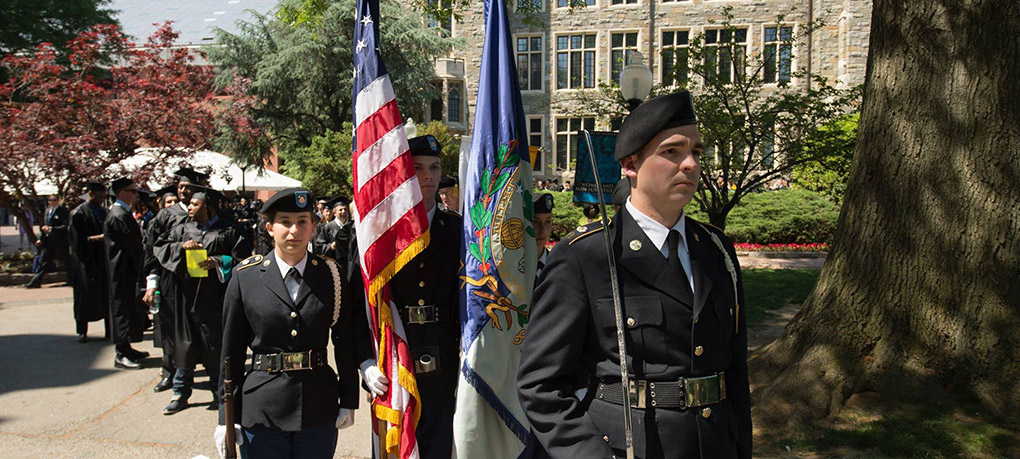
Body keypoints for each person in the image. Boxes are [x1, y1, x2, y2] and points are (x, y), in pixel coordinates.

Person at [517, 91, 752, 459]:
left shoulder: (716, 250)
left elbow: (735, 375)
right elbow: (540, 385)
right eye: (672, 152)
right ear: (630, 165)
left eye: (696, 152)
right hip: (633, 448)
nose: (690, 163)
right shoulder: (586, 257)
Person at [216, 187, 362, 459]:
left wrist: (348, 399)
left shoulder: (331, 275)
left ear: (313, 227)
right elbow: (230, 352)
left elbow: (344, 341)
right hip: (262, 407)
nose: (294, 230)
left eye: (302, 222)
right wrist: (226, 416)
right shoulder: (244, 277)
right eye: (285, 222)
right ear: (270, 227)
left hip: (318, 402)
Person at [353, 134, 463, 459]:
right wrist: (366, 362)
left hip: (446, 358)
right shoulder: (377, 234)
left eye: (434, 167)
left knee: (441, 447)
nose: (428, 176)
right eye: (417, 168)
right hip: (395, 359)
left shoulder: (458, 229)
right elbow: (359, 306)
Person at [154, 186, 251, 415]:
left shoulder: (229, 231)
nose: (189, 207)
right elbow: (160, 247)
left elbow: (244, 259)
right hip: (185, 298)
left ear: (207, 207)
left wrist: (217, 261)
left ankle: (220, 395)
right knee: (185, 346)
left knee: (215, 346)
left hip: (215, 299)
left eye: (195, 204)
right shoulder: (180, 229)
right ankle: (180, 392)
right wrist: (181, 247)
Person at [144, 169, 208, 392]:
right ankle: (169, 372)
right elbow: (151, 250)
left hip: (200, 281)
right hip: (171, 280)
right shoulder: (165, 215)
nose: (182, 190)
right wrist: (151, 283)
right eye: (180, 186)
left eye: (187, 187)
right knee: (171, 329)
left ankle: (204, 370)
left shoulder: (205, 213)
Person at [104, 177, 150, 369]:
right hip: (121, 270)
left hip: (125, 269)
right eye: (132, 191)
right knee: (121, 308)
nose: (136, 195)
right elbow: (133, 246)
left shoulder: (122, 212)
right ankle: (121, 353)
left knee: (128, 308)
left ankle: (127, 347)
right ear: (122, 193)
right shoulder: (118, 215)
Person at [67, 182, 111, 343]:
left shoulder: (104, 212)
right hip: (84, 262)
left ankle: (109, 330)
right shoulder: (77, 214)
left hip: (102, 260)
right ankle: (82, 331)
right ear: (90, 194)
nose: (101, 200)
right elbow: (76, 241)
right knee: (84, 297)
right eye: (98, 197)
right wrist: (98, 238)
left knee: (105, 296)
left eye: (103, 197)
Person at [25, 195, 70, 288]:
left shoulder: (63, 211)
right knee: (43, 261)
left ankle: (72, 280)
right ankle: (36, 282)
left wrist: (52, 229)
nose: (52, 202)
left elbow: (66, 226)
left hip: (60, 241)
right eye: (50, 200)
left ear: (59, 201)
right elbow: (45, 226)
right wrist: (40, 239)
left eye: (54, 200)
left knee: (67, 262)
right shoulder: (47, 211)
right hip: (49, 242)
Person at [532, 193, 554, 279]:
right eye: (535, 222)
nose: (543, 230)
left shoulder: (556, 265)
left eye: (547, 222)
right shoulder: (511, 265)